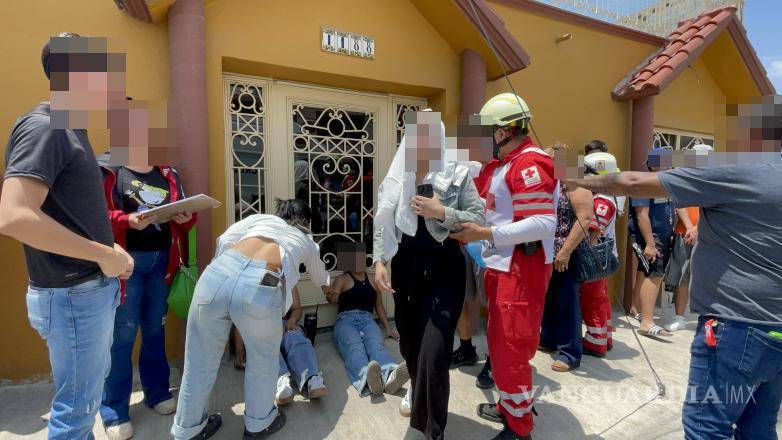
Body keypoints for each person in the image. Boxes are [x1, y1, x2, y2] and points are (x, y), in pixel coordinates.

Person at [564, 94, 782, 440]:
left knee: (706, 428)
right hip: (775, 332)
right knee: (758, 427)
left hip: (738, 327)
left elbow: (633, 183)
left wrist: (578, 180)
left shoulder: (738, 172)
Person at [0, 33, 134, 439]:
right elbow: (14, 216)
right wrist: (103, 255)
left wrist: (107, 247)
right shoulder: (47, 127)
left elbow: (69, 212)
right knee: (74, 416)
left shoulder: (73, 129)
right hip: (74, 296)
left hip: (79, 293)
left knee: (81, 405)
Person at [171, 199, 331, 440]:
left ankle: (188, 429)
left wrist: (228, 274)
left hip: (216, 275)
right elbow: (320, 276)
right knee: (263, 360)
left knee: (198, 360)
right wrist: (329, 289)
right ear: (306, 221)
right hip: (261, 281)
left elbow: (223, 240)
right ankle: (258, 424)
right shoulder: (306, 239)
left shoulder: (258, 219)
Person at [450, 93, 558, 440]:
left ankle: (518, 428)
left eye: (488, 132)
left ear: (502, 131)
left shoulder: (529, 164)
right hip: (504, 265)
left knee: (510, 349)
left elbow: (544, 222)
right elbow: (478, 196)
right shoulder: (504, 165)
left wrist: (485, 232)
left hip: (521, 269)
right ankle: (511, 406)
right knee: (500, 344)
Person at [373, 111, 484, 440]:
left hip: (444, 267)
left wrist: (441, 212)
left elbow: (477, 217)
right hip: (406, 265)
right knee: (409, 341)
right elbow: (383, 219)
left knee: (435, 351)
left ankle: (433, 430)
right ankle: (417, 387)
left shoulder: (458, 173)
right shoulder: (398, 173)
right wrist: (379, 261)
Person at [97, 106, 197, 440]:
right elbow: (98, 217)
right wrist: (128, 220)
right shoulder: (109, 170)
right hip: (126, 265)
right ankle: (114, 410)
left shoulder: (169, 173)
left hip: (161, 262)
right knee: (122, 336)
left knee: (154, 330)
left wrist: (186, 218)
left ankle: (158, 393)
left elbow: (184, 213)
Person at [539, 144, 595, 372]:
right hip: (547, 251)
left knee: (566, 301)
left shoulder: (574, 181)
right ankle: (549, 339)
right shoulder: (552, 182)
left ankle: (570, 352)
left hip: (566, 252)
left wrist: (565, 251)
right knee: (549, 299)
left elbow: (585, 217)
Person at [327, 242, 407, 400]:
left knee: (376, 346)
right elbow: (333, 297)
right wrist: (332, 294)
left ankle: (390, 374)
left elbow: (379, 305)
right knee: (355, 348)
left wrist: (388, 328)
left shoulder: (373, 278)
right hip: (345, 320)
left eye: (360, 258)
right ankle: (368, 380)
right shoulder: (342, 279)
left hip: (368, 319)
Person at [663, 144, 711, 332]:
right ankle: (679, 317)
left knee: (707, 277)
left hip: (708, 235)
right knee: (681, 275)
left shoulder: (714, 179)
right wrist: (691, 226)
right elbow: (678, 202)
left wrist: (699, 227)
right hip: (685, 233)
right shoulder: (685, 175)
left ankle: (708, 318)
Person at [628, 148, 675, 337]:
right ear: (654, 164)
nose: (671, 166)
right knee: (654, 274)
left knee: (645, 270)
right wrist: (650, 244)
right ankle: (647, 322)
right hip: (650, 237)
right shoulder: (643, 184)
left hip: (662, 236)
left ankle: (635, 307)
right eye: (667, 163)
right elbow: (642, 216)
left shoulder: (663, 184)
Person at [579, 152, 620, 357]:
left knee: (593, 300)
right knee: (601, 299)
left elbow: (594, 230)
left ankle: (596, 343)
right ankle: (605, 337)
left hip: (595, 260)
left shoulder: (602, 201)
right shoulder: (604, 197)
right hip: (600, 259)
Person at [275, 286, 328, 405]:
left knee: (296, 338)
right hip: (263, 327)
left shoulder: (288, 279)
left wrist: (292, 321)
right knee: (267, 346)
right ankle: (281, 382)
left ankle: (311, 378)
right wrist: (240, 349)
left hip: (286, 324)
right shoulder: (251, 280)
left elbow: (296, 308)